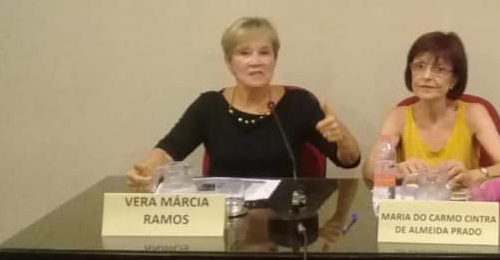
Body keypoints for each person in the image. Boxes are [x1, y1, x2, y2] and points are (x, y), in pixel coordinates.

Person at [127, 17, 360, 186]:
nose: (255, 61)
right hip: (225, 218)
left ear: (275, 59)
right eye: (244, 53)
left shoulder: (299, 103)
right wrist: (148, 168)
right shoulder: (209, 106)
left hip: (283, 222)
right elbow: (169, 150)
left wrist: (343, 138)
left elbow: (349, 161)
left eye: (264, 52)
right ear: (229, 62)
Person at [363, 31, 500, 189]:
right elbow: (369, 172)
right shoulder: (398, 116)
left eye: (440, 69)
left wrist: (471, 175)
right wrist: (398, 171)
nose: (426, 76)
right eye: (420, 66)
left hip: (461, 202)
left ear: (454, 80)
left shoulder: (473, 113)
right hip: (413, 203)